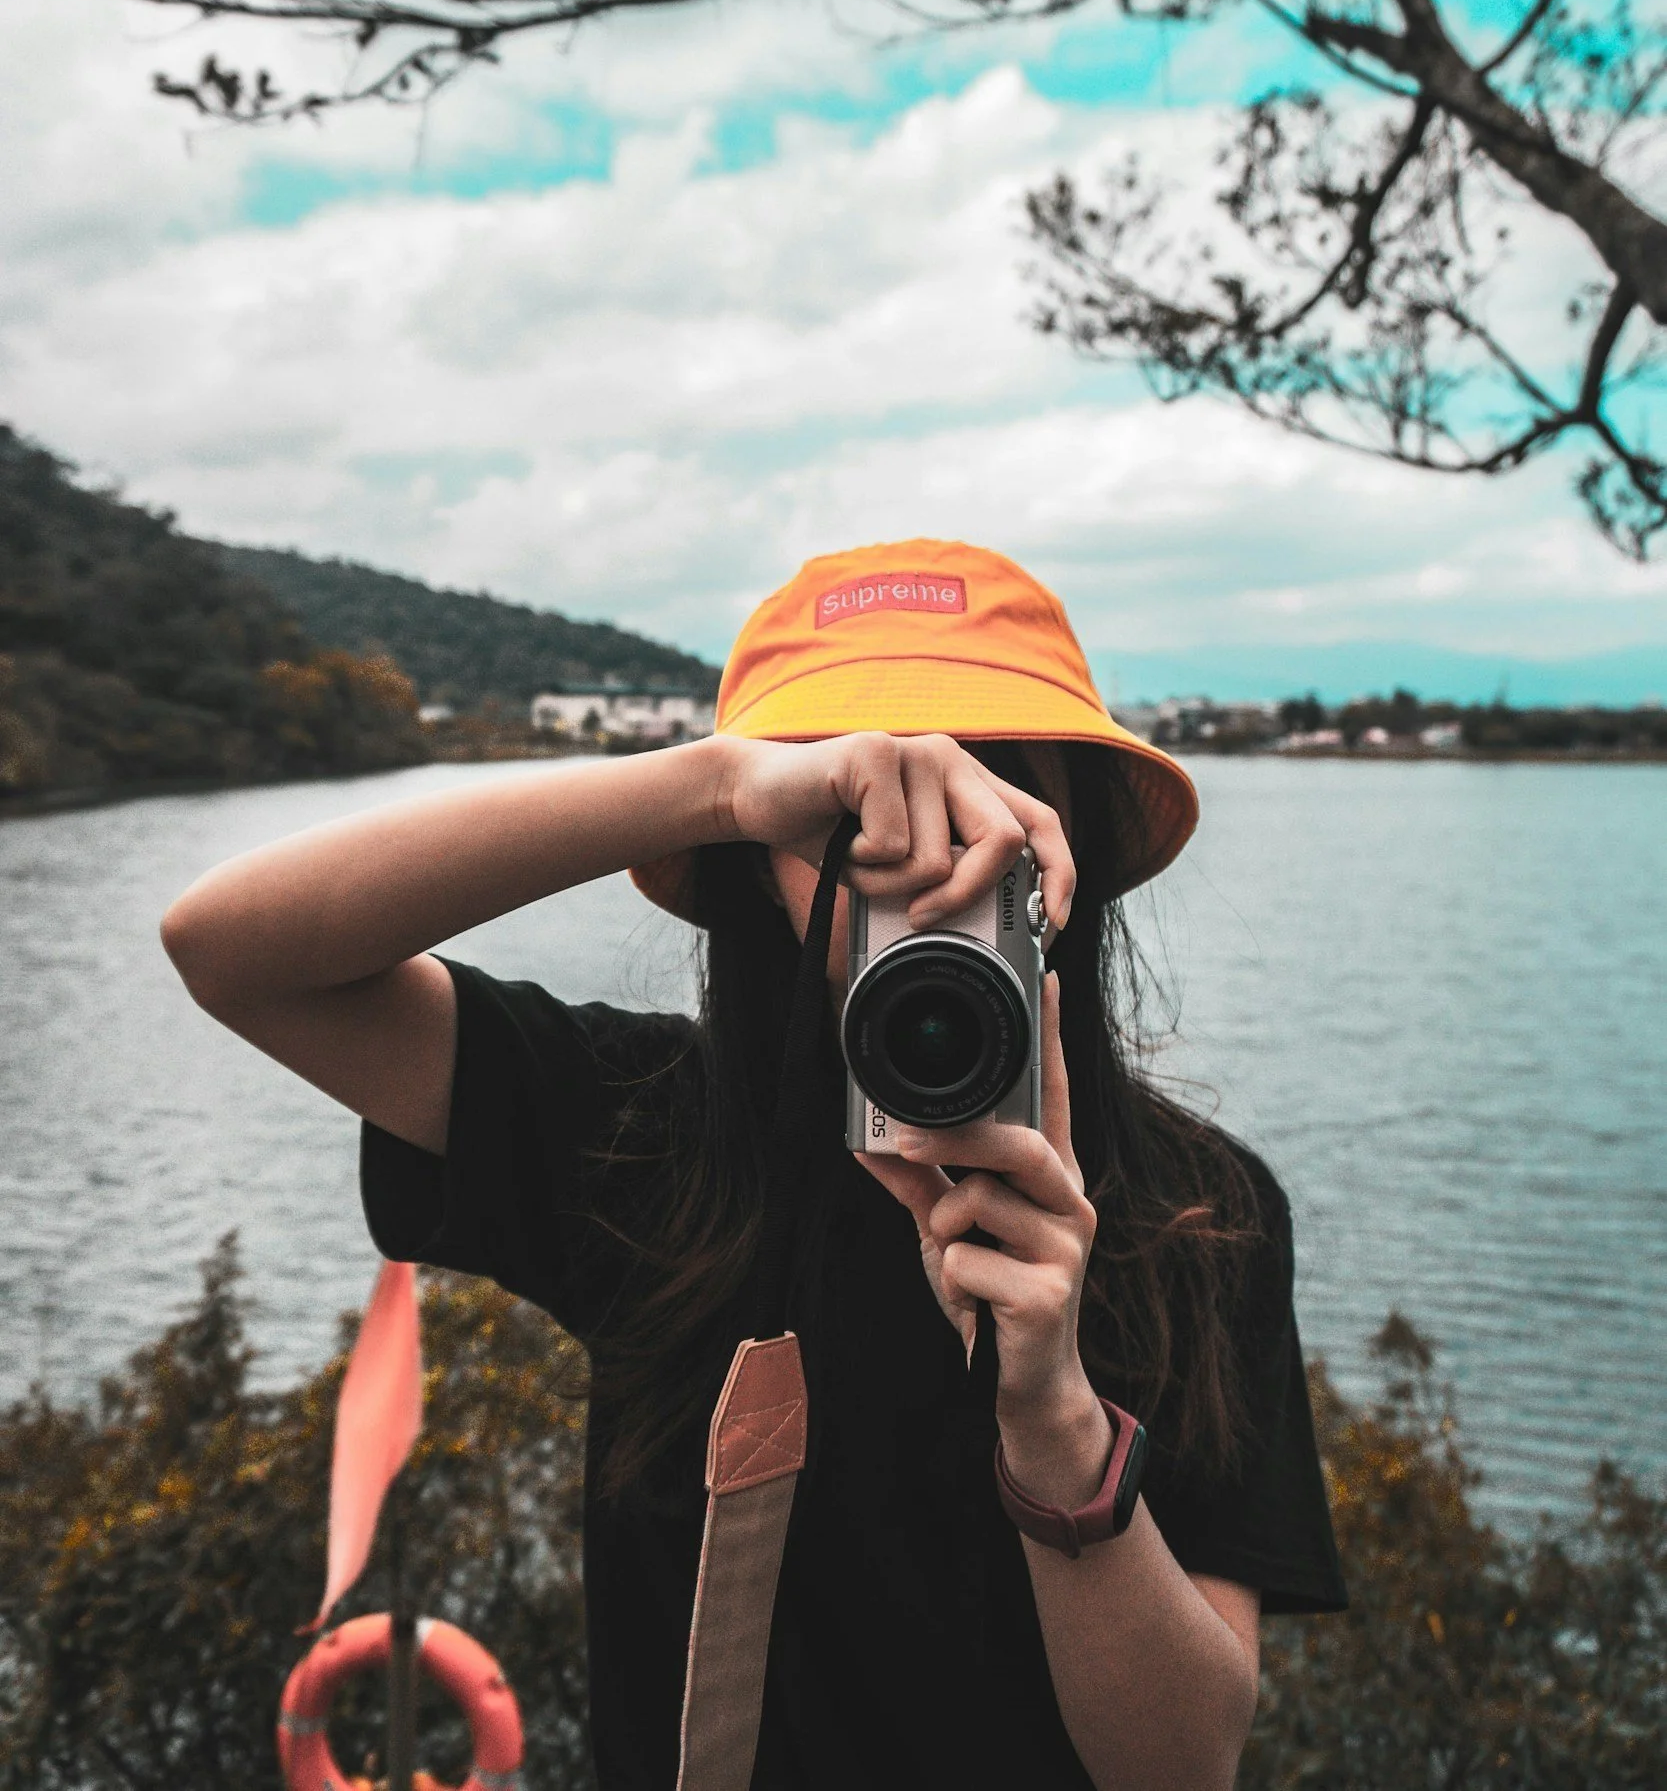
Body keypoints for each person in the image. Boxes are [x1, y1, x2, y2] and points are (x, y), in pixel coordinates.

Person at [162, 537, 1345, 1791]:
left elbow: (1183, 1767)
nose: (933, 856)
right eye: (849, 817)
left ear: (1071, 853)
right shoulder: (642, 1132)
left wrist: (1051, 1417)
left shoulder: (1200, 1214)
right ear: (758, 871)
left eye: (995, 792)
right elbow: (230, 946)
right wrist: (722, 784)